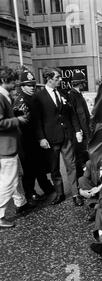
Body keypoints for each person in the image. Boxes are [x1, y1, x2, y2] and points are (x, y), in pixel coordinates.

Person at [34, 68, 84, 206]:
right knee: (54, 168)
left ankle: (75, 193)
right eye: (57, 77)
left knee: (71, 165)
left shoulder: (63, 94)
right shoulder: (39, 97)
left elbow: (72, 113)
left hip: (66, 136)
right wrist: (41, 138)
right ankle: (60, 193)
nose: (61, 80)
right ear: (49, 79)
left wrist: (77, 130)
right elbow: (37, 120)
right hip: (50, 139)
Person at [13, 68, 54, 204]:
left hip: (36, 138)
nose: (32, 88)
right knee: (29, 168)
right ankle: (30, 193)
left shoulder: (34, 98)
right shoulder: (20, 101)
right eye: (29, 85)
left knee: (40, 165)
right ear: (22, 86)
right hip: (25, 140)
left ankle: (46, 187)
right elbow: (23, 124)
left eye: (33, 85)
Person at [0, 66, 34, 228]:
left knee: (16, 177)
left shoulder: (5, 96)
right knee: (9, 182)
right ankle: (0, 214)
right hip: (5, 148)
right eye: (12, 81)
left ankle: (21, 203)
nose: (15, 84)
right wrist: (18, 120)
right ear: (3, 81)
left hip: (9, 146)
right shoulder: (0, 97)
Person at [67, 69, 91, 179]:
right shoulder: (72, 95)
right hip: (79, 132)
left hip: (84, 130)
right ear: (79, 83)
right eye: (83, 83)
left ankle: (85, 179)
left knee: (85, 156)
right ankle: (80, 181)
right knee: (79, 158)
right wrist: (78, 130)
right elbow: (74, 115)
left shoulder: (78, 94)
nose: (84, 85)